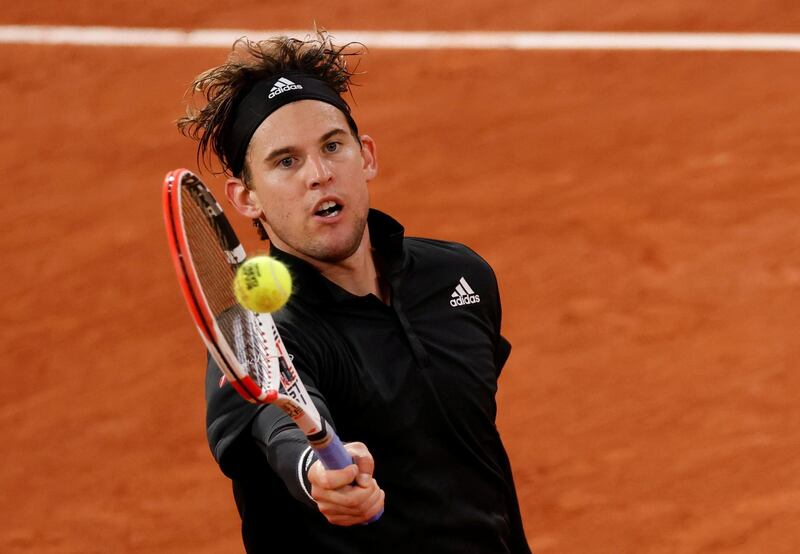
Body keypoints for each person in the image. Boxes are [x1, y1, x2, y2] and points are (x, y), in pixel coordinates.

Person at [177, 31, 531, 553]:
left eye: (332, 146)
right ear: (246, 198)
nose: (319, 175)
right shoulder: (254, 337)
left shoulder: (459, 279)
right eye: (286, 162)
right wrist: (315, 471)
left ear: (365, 156)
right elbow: (277, 427)